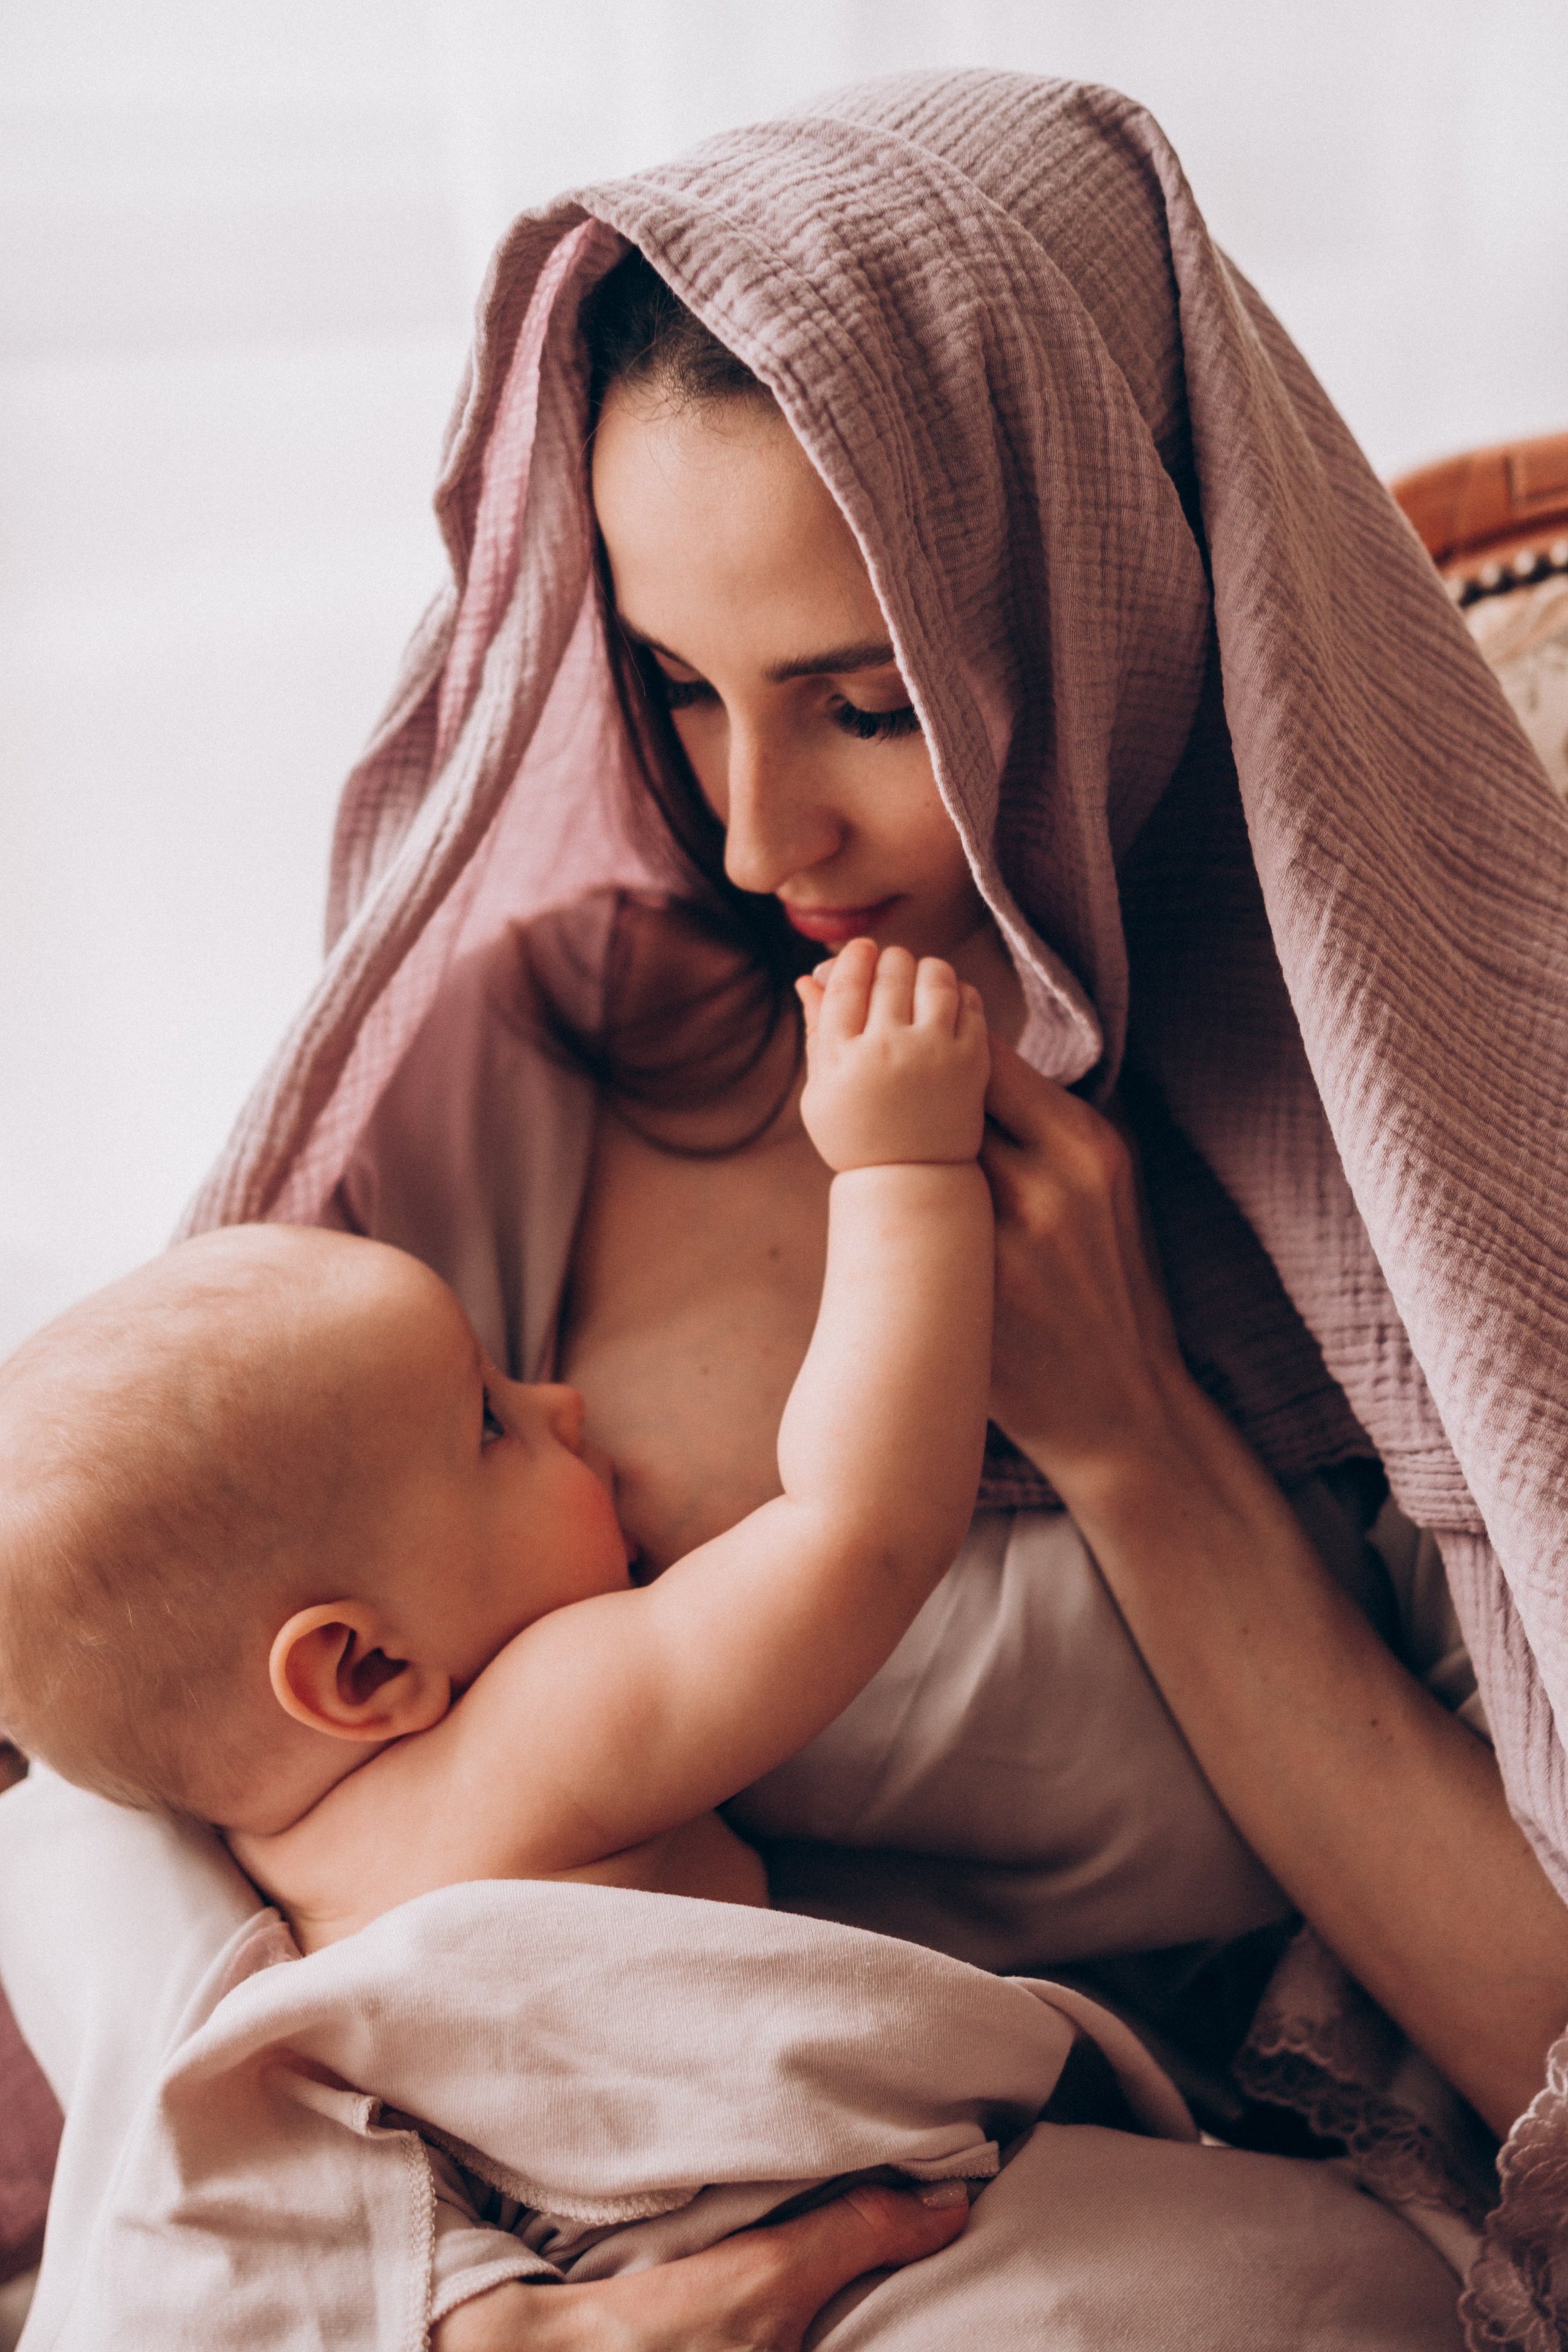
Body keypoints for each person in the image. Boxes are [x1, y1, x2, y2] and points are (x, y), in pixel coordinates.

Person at [6, 65, 1568, 2348]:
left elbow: (1544, 2045)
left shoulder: (1429, 1140)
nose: (755, 839)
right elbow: (134, 1738)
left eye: (861, 705)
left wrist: (1138, 1435)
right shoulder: (558, 1047)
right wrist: (441, 2320)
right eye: (672, 685)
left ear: (1115, 605)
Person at [0, 942, 993, 1950]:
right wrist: (904, 1169)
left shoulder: (264, 1870)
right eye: (489, 1422)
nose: (561, 1402)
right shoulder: (534, 1746)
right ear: (364, 1670)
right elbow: (861, 1529)